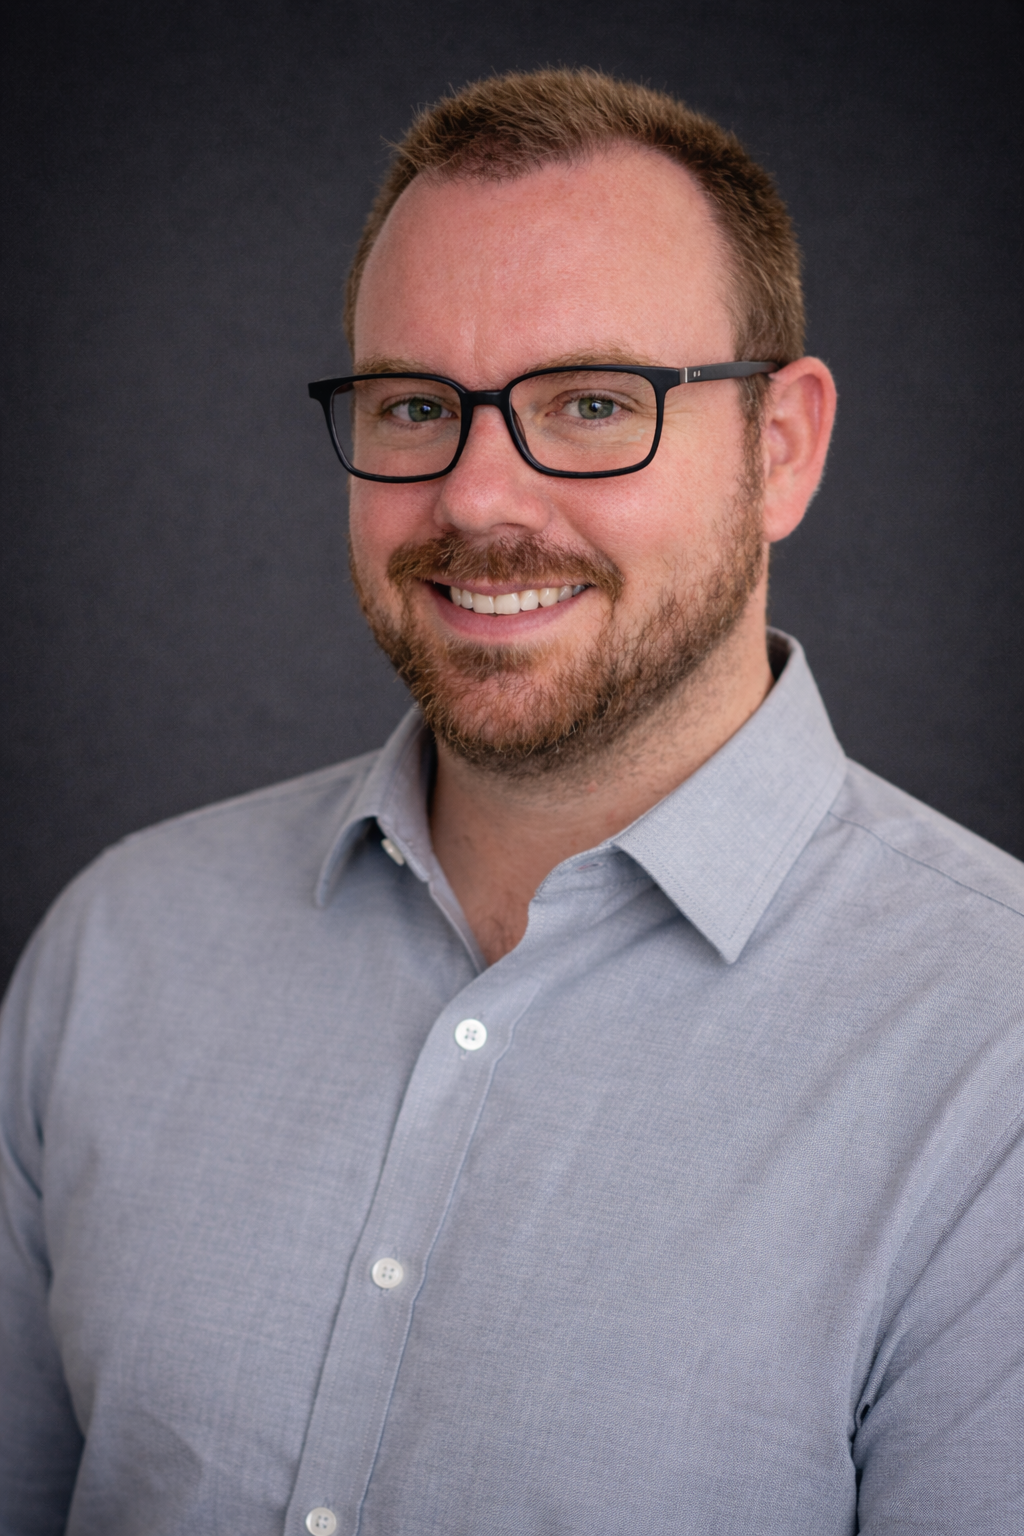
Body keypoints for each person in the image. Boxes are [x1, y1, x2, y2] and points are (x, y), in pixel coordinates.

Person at [1, 68, 1021, 1536]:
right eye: (416, 406)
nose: (478, 498)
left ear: (781, 449)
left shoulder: (992, 1056)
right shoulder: (117, 950)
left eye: (593, 403)